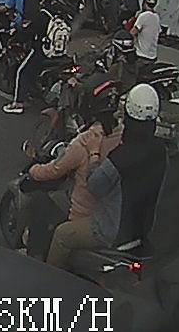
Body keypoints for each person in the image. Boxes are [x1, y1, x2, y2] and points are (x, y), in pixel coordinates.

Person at [47, 84, 166, 271]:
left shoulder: (120, 157)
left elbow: (94, 185)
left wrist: (94, 153)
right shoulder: (160, 149)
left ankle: (48, 278)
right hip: (142, 226)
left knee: (62, 235)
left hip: (111, 230)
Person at [26, 98, 124, 263]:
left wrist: (33, 170)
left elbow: (55, 170)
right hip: (112, 211)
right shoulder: (121, 139)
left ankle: (37, 259)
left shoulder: (84, 143)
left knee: (40, 204)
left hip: (84, 213)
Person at [2, 0, 44, 114]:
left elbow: (7, 7)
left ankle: (18, 103)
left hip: (23, 27)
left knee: (22, 71)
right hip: (37, 35)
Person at [128, 0, 161, 88]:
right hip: (152, 56)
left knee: (134, 81)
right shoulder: (156, 17)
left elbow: (132, 33)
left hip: (141, 57)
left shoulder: (143, 16)